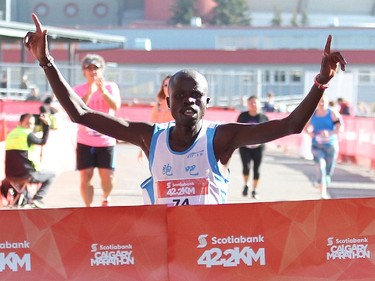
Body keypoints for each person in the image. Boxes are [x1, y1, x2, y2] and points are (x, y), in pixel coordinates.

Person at [24, 14, 346, 206]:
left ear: (207, 103)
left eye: (196, 96)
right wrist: (46, 61)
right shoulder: (148, 137)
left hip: (211, 250)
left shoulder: (222, 138)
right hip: (165, 249)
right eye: (180, 95)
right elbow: (80, 114)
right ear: (168, 102)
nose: (188, 101)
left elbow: (290, 125)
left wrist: (320, 82)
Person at [72, 53, 121, 207]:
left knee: (108, 177)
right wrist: (91, 92)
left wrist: (103, 91)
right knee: (86, 176)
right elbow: (77, 109)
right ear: (83, 71)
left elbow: (115, 106)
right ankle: (88, 207)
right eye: (89, 69)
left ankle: (106, 196)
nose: (93, 72)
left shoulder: (111, 87)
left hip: (106, 140)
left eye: (96, 68)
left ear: (102, 70)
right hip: (85, 140)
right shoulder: (78, 89)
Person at [1, 113, 55, 208]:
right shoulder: (27, 134)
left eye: (32, 124)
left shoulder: (10, 134)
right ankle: (37, 199)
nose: (30, 126)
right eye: (28, 123)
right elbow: (43, 141)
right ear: (20, 122)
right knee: (51, 175)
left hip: (9, 175)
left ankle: (21, 200)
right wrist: (46, 125)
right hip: (26, 174)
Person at [304, 95, 343, 199]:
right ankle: (323, 193)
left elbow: (340, 127)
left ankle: (322, 181)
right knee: (321, 166)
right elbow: (305, 127)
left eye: (323, 101)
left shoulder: (332, 113)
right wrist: (310, 134)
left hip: (331, 146)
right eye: (319, 101)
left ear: (327, 102)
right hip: (316, 145)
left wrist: (329, 133)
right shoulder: (312, 114)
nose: (321, 104)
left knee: (328, 171)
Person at [237, 96, 269, 199]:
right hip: (244, 146)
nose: (253, 105)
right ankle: (246, 184)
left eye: (255, 103)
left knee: (257, 169)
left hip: (259, 147)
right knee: (246, 167)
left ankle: (254, 190)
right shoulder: (243, 116)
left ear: (259, 104)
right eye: (251, 103)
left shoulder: (263, 118)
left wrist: (262, 140)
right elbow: (237, 130)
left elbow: (269, 133)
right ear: (248, 104)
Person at [138, 75, 173, 161]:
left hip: (175, 144)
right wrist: (142, 146)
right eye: (165, 85)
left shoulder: (181, 104)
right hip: (160, 143)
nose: (167, 88)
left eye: (170, 85)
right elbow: (152, 125)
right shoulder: (159, 104)